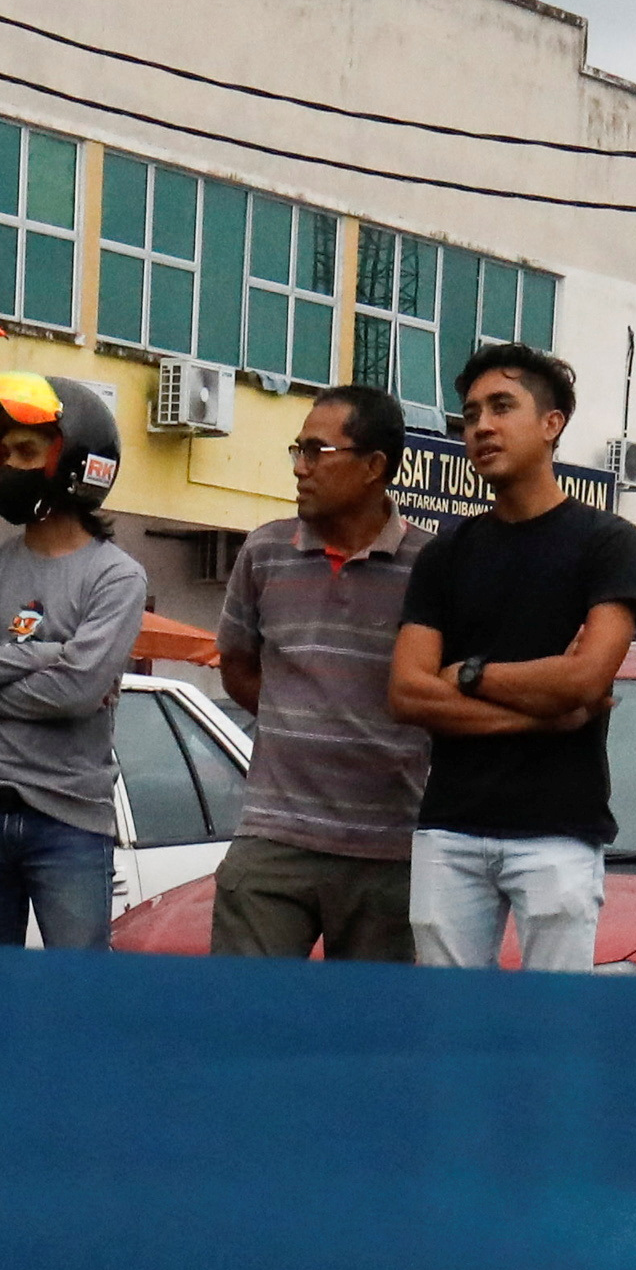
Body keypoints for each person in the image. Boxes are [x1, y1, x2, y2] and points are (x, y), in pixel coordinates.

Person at [388, 343, 636, 971]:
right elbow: (406, 692)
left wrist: (471, 675)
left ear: (551, 423)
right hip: (450, 829)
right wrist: (547, 712)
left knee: (553, 1035)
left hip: (557, 830)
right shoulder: (445, 555)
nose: (481, 426)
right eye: (471, 412)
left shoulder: (609, 543)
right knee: (452, 1037)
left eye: (502, 406)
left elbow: (587, 678)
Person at [0, 375, 152, 950]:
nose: (4, 464)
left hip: (70, 827)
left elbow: (74, 693)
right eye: (1, 450)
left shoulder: (117, 577)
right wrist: (45, 655)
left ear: (73, 461)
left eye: (25, 451)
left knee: (74, 1009)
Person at [210, 382, 431, 960]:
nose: (301, 468)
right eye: (298, 451)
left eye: (317, 452)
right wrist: (300, 719)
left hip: (389, 851)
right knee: (244, 1026)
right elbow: (237, 667)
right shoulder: (264, 553)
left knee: (370, 1042)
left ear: (374, 466)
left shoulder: (431, 567)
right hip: (273, 839)